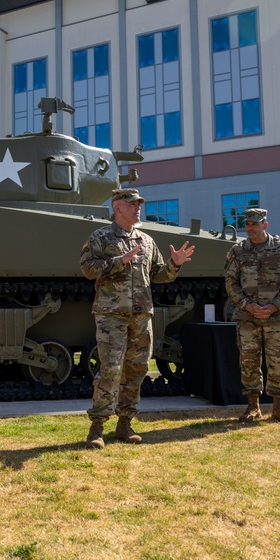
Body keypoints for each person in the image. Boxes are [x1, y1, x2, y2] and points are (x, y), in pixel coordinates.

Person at [79, 188, 194, 449]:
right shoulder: (100, 237)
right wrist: (120, 260)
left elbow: (159, 275)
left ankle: (125, 424)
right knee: (110, 370)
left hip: (141, 315)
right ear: (117, 207)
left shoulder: (146, 240)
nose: (137, 208)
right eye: (132, 204)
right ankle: (97, 428)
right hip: (111, 316)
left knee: (137, 370)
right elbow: (88, 269)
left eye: (139, 204)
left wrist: (175, 265)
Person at [225, 207, 280, 424]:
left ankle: (279, 408)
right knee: (249, 362)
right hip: (247, 318)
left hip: (275, 317)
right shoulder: (238, 251)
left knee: (278, 361)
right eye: (247, 224)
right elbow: (231, 282)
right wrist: (247, 305)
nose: (250, 228)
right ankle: (252, 407)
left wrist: (274, 306)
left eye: (254, 224)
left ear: (265, 225)